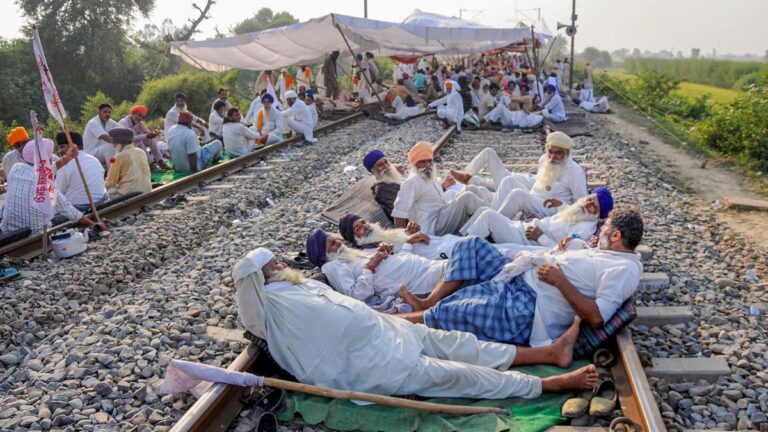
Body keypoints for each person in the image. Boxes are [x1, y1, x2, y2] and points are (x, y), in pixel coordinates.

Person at [234, 247, 598, 399]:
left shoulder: (302, 284)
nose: (280, 266)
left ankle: (548, 352)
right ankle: (545, 385)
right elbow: (249, 310)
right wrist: (249, 278)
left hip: (387, 331)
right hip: (367, 364)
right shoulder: (268, 308)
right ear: (259, 281)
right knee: (457, 373)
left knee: (463, 345)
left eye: (277, 262)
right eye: (272, 267)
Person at [399, 209, 644, 347]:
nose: (600, 231)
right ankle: (429, 301)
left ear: (616, 236)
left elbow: (596, 317)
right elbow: (585, 269)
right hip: (518, 276)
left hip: (527, 304)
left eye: (604, 228)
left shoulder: (624, 271)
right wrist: (571, 247)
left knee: (452, 310)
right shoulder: (610, 255)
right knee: (470, 246)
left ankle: (394, 321)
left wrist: (561, 281)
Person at [451, 133, 588, 219]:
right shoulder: (544, 159)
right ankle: (490, 217)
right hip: (533, 198)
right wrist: (517, 177)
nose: (553, 157)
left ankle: (490, 223)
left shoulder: (575, 171)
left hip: (549, 209)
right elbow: (538, 181)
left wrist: (562, 208)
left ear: (567, 152)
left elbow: (581, 204)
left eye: (558, 153)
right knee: (508, 180)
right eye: (550, 152)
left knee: (518, 194)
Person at [304, 228, 445, 307]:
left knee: (461, 255)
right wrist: (370, 266)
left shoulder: (349, 255)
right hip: (419, 279)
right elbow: (356, 296)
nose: (338, 243)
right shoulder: (332, 266)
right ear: (324, 254)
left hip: (423, 265)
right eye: (332, 244)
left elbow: (394, 264)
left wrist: (406, 245)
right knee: (461, 257)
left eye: (336, 239)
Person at [1, 139, 106, 234]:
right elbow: (69, 211)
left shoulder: (16, 168)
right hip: (35, 233)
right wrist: (93, 224)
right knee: (62, 215)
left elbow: (40, 173)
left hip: (7, 230)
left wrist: (65, 160)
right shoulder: (47, 184)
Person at [462, 188, 613, 247]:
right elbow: (568, 217)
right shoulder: (581, 213)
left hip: (527, 240)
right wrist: (560, 205)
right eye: (589, 199)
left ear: (598, 214)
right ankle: (458, 239)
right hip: (522, 228)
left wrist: (540, 237)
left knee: (488, 216)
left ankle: (457, 250)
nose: (587, 204)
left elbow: (563, 250)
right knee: (483, 209)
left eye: (593, 205)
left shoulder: (585, 229)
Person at [392, 141, 485, 236]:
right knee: (467, 197)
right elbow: (399, 213)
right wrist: (404, 240)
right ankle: (488, 223)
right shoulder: (412, 182)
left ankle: (489, 219)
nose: (427, 165)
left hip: (442, 216)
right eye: (423, 162)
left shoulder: (429, 175)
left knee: (471, 189)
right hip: (433, 228)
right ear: (414, 164)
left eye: (429, 161)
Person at [339, 213, 464, 261]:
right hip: (444, 256)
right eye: (358, 229)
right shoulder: (371, 253)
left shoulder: (386, 233)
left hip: (447, 241)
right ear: (355, 238)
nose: (364, 227)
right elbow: (401, 267)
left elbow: (417, 238)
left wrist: (414, 230)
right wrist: (409, 242)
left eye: (363, 222)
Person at [54, 132, 108, 212]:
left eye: (62, 147)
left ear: (73, 147)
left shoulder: (65, 165)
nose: (59, 151)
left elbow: (57, 194)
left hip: (79, 208)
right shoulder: (94, 159)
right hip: (100, 202)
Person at [118, 105, 170, 172]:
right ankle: (150, 164)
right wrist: (146, 135)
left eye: (142, 117)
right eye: (139, 115)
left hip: (132, 144)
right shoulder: (124, 122)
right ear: (133, 113)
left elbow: (147, 132)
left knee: (151, 139)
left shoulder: (140, 123)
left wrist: (154, 133)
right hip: (123, 146)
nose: (140, 118)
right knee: (139, 142)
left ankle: (160, 161)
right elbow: (132, 138)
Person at [104, 128, 152, 198]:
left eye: (113, 143)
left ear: (117, 143)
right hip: (147, 191)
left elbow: (111, 182)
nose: (113, 145)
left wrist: (101, 189)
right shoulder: (141, 151)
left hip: (128, 195)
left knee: (104, 195)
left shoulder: (119, 156)